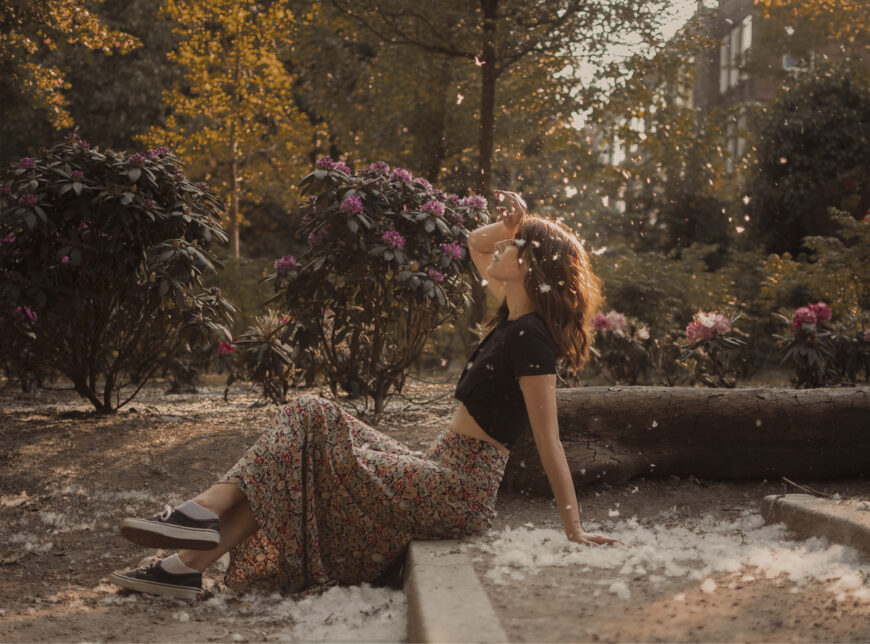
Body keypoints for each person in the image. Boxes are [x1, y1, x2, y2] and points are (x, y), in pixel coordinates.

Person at [109, 190, 618, 600]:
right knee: (298, 451)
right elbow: (474, 242)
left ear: (530, 266)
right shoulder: (511, 317)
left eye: (514, 248)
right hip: (440, 467)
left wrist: (573, 529)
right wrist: (512, 228)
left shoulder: (531, 336)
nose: (501, 251)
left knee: (312, 413)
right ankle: (183, 567)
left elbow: (548, 440)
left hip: (459, 490)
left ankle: (199, 514)